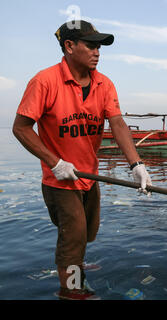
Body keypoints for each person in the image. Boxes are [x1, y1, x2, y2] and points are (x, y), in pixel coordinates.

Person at [12, 20, 152, 300]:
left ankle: (77, 266)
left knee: (87, 234)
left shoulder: (104, 83)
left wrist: (136, 165)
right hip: (60, 180)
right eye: (90, 45)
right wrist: (55, 163)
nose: (97, 51)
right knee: (72, 239)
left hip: (89, 176)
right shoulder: (45, 81)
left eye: (99, 46)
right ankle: (71, 292)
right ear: (69, 46)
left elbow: (118, 124)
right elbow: (21, 128)